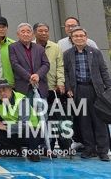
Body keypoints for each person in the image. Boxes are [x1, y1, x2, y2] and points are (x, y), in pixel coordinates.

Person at [64, 26, 111, 160]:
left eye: (81, 35)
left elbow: (103, 70)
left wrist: (109, 87)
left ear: (86, 37)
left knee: (99, 120)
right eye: (76, 36)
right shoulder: (67, 54)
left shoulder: (95, 52)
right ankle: (89, 149)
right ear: (72, 39)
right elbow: (66, 72)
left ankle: (103, 151)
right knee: (84, 121)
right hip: (79, 89)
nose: (79, 38)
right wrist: (68, 88)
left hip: (96, 90)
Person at [33, 22, 69, 153]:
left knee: (56, 119)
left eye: (46, 31)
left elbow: (60, 66)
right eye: (40, 31)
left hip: (53, 89)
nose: (44, 33)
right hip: (37, 89)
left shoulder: (55, 47)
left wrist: (60, 82)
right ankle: (46, 146)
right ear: (35, 32)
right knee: (41, 118)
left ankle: (61, 146)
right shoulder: (31, 46)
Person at [0, 79, 42, 161]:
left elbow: (23, 124)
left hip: (31, 131)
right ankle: (12, 149)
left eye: (4, 90)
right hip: (14, 131)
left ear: (10, 89)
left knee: (31, 131)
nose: (2, 93)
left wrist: (6, 127)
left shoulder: (22, 100)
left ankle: (33, 151)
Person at [8, 23, 50, 98]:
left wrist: (38, 75)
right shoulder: (13, 47)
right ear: (18, 34)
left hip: (40, 85)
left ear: (32, 34)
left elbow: (46, 64)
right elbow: (15, 64)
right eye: (23, 32)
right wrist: (30, 77)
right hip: (23, 86)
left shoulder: (39, 48)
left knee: (42, 106)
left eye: (28, 32)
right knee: (25, 105)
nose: (26, 34)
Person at [0, 17, 15, 86]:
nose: (1, 29)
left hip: (10, 84)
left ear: (7, 28)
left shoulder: (13, 44)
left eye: (3, 27)